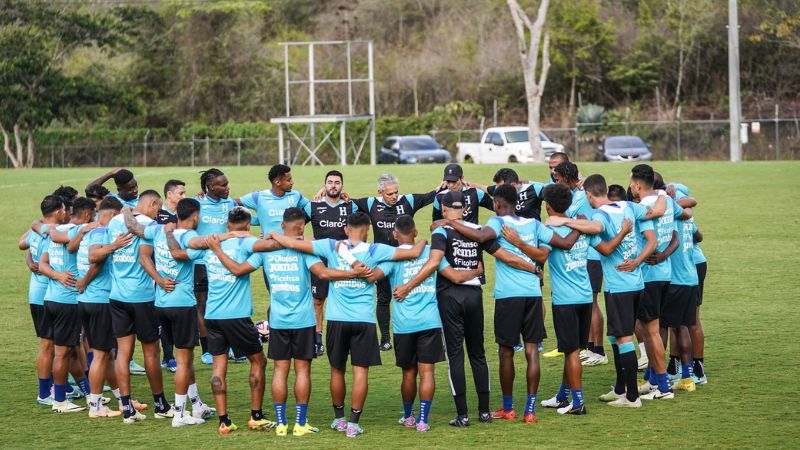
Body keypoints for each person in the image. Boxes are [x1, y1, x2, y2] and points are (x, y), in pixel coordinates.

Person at [209, 207, 368, 436]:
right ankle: (300, 424)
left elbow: (238, 269)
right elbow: (323, 274)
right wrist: (352, 274)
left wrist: (217, 249)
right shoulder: (304, 251)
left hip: (278, 320)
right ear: (302, 226)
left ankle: (282, 424)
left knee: (280, 371)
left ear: (283, 225)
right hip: (303, 320)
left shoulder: (266, 251)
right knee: (302, 371)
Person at [269, 211, 426, 438]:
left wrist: (274, 233)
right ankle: (354, 423)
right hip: (364, 320)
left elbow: (292, 242)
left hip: (336, 319)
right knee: (360, 371)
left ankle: (339, 419)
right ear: (368, 229)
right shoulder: (376, 250)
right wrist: (422, 239)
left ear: (346, 229)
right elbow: (415, 252)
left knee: (337, 370)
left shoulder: (331, 246)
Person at [444, 185, 581, 423]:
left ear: (497, 204)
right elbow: (567, 243)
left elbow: (479, 236)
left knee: (506, 352)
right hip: (533, 294)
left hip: (508, 296)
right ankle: (530, 410)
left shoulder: (497, 223)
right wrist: (579, 224)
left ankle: (508, 408)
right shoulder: (534, 224)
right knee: (532, 351)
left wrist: (449, 222)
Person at [511, 184, 630, 415]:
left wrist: (520, 246)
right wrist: (623, 233)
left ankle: (578, 403)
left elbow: (543, 256)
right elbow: (606, 249)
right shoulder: (582, 228)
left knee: (571, 352)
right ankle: (562, 396)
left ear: (547, 206)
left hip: (565, 301)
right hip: (586, 298)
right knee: (572, 349)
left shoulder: (548, 231)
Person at [546, 174, 662, 409]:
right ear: (606, 189)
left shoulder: (600, 214)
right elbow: (654, 213)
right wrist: (663, 195)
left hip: (619, 285)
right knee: (616, 335)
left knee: (624, 338)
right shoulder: (629, 206)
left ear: (589, 195)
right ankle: (620, 388)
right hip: (637, 283)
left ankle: (631, 397)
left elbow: (597, 227)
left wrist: (565, 222)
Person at [373, 215, 483, 432]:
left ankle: (408, 416)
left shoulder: (392, 259)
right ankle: (423, 420)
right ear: (415, 232)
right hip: (430, 322)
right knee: (428, 373)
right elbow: (455, 277)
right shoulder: (430, 252)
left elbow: (374, 275)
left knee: (408, 374)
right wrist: (477, 271)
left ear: (395, 234)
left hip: (404, 324)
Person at [124, 198, 216, 426]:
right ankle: (179, 414)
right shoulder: (189, 238)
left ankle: (196, 404)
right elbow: (189, 250)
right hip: (183, 304)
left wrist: (126, 209)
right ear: (195, 216)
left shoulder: (156, 230)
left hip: (161, 304)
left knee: (185, 358)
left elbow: (133, 227)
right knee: (184, 360)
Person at [195, 207, 276, 435]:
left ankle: (224, 421)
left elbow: (189, 247)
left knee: (218, 367)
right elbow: (268, 248)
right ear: (249, 226)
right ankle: (256, 416)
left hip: (212, 316)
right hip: (236, 317)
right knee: (258, 361)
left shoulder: (208, 248)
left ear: (227, 225)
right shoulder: (245, 244)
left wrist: (219, 240)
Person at [102, 190, 173, 423]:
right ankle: (160, 404)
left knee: (123, 352)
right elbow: (145, 258)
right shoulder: (147, 224)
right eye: (158, 208)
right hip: (142, 297)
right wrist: (161, 279)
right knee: (152, 351)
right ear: (151, 203)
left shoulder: (112, 222)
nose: (158, 213)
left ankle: (127, 408)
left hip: (117, 295)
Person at [351, 173, 439, 351]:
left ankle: (416, 329)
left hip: (406, 259)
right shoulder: (370, 203)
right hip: (385, 261)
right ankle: (385, 339)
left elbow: (433, 195)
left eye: (396, 192)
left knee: (411, 292)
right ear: (380, 191)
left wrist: (444, 185)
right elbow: (346, 202)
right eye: (389, 193)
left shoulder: (408, 201)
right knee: (383, 299)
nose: (394, 196)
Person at [36, 197, 96, 413]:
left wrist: (57, 275)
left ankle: (87, 393)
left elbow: (41, 264)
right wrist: (62, 277)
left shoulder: (53, 232)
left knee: (68, 351)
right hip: (67, 301)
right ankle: (60, 400)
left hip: (50, 299)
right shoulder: (74, 232)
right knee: (62, 353)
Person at [76, 197, 129, 418]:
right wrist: (114, 245)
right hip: (98, 301)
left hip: (88, 301)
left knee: (107, 353)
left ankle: (120, 398)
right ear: (111, 214)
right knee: (100, 355)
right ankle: (96, 406)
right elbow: (94, 257)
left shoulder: (91, 232)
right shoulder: (101, 232)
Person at [303, 170, 356, 356]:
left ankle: (346, 340)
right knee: (318, 302)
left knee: (344, 300)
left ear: (342, 186)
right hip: (321, 262)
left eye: (337, 182)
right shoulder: (313, 206)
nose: (333, 185)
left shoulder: (351, 206)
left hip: (343, 261)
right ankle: (317, 341)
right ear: (324, 184)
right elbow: (295, 226)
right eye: (330, 182)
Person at [19, 195, 65, 406]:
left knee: (51, 345)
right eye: (64, 209)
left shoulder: (38, 230)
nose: (66, 213)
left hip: (35, 293)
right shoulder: (52, 234)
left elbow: (22, 244)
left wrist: (30, 260)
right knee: (48, 346)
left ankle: (54, 387)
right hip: (46, 294)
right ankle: (44, 393)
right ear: (57, 212)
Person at [194, 169, 240, 365]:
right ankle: (207, 351)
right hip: (201, 263)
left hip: (224, 261)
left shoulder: (230, 204)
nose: (227, 187)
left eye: (227, 183)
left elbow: (248, 221)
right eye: (223, 185)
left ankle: (229, 348)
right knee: (203, 306)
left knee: (226, 303)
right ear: (211, 187)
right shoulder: (196, 203)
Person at [662, 190, 700, 393]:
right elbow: (699, 236)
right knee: (683, 327)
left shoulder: (670, 213)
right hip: (690, 278)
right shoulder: (686, 217)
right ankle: (687, 377)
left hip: (674, 280)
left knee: (661, 327)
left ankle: (656, 377)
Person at [156, 179, 186, 373]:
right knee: (163, 316)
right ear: (169, 194)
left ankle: (177, 355)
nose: (184, 196)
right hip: (162, 272)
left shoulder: (184, 213)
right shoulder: (159, 216)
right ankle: (168, 357)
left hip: (182, 272)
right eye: (181, 193)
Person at [239, 164, 310, 236]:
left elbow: (310, 208)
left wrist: (299, 223)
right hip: (269, 245)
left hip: (291, 245)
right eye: (289, 180)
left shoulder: (296, 195)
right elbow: (233, 203)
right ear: (278, 182)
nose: (292, 182)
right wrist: (258, 220)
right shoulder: (258, 197)